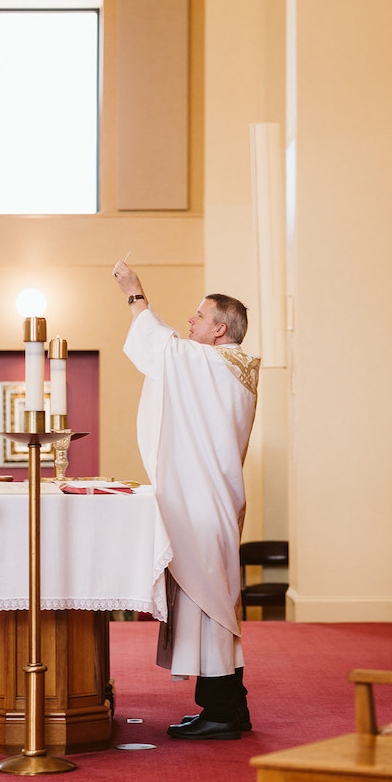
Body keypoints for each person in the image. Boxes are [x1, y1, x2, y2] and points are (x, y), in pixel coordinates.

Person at [114, 260, 260, 741]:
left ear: (220, 329)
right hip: (210, 499)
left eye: (199, 316)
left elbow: (162, 349)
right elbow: (169, 351)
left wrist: (135, 294)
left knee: (210, 606)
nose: (191, 321)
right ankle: (229, 708)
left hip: (204, 504)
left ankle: (221, 713)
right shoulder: (223, 368)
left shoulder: (218, 364)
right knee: (213, 604)